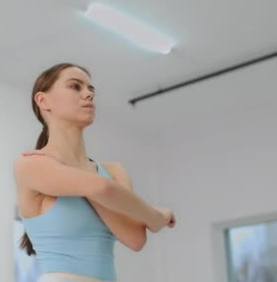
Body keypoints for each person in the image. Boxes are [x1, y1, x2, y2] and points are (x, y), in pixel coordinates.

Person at [13, 63, 176, 282]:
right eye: (75, 87)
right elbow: (102, 188)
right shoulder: (32, 164)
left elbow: (135, 239)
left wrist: (80, 174)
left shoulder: (113, 171)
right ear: (43, 101)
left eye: (91, 89)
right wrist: (158, 217)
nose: (88, 94)